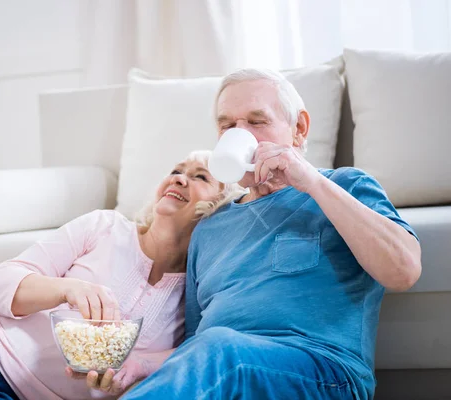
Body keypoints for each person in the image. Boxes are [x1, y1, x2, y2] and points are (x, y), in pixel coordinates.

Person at [122, 69, 422, 400]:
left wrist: (310, 181)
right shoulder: (209, 228)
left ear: (298, 129)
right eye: (227, 126)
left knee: (222, 349)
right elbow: (194, 349)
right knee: (215, 350)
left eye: (257, 121)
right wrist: (144, 367)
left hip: (324, 375)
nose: (240, 134)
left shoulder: (344, 186)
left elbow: (404, 270)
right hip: (227, 371)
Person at [0, 150, 243, 400]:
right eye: (176, 170)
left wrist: (124, 376)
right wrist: (67, 289)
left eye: (199, 177)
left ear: (219, 207)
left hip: (24, 394)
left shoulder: (195, 291)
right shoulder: (105, 227)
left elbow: (190, 353)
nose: (178, 178)